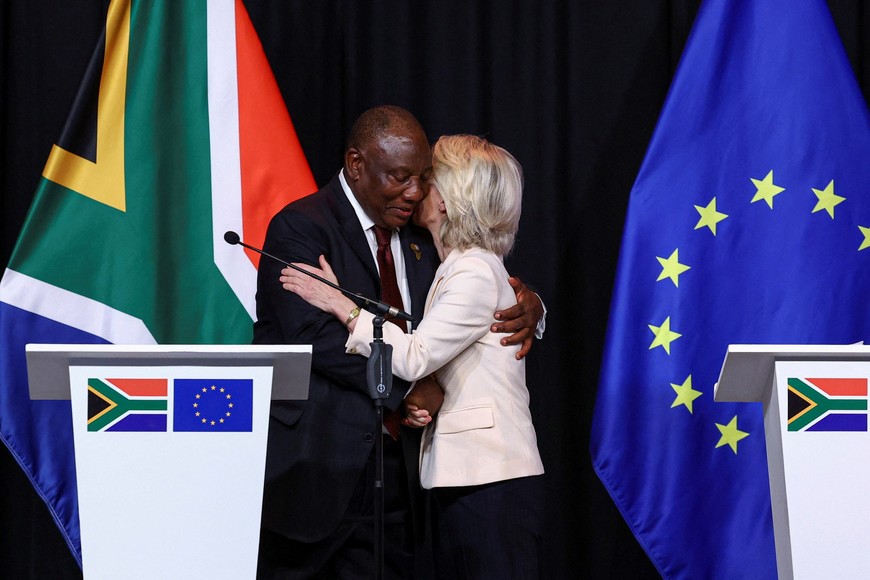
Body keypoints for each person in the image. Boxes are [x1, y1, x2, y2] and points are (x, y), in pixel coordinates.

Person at [253, 106, 544, 579]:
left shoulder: (421, 235)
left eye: (424, 179)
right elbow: (310, 335)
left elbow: (477, 288)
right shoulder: (302, 226)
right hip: (318, 466)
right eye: (400, 177)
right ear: (356, 164)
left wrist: (532, 304)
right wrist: (404, 392)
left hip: (401, 478)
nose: (414, 192)